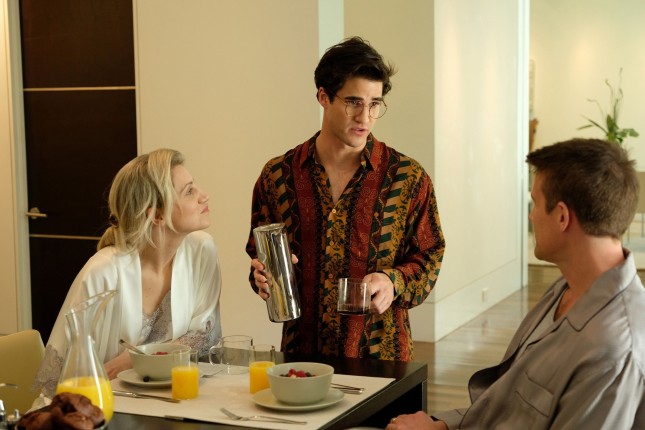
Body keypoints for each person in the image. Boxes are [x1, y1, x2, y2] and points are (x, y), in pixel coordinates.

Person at [386, 138, 645, 429]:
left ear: (562, 217)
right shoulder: (566, 288)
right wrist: (443, 425)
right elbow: (508, 401)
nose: (531, 215)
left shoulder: (613, 349)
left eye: (535, 203)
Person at [245, 36, 445, 360]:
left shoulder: (407, 178)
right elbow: (260, 255)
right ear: (323, 97)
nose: (365, 117)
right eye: (353, 102)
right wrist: (260, 278)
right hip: (303, 359)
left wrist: (393, 281)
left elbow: (430, 254)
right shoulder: (277, 176)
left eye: (375, 104)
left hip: (380, 359)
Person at [32, 148, 222, 400]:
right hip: (104, 404)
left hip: (173, 398)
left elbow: (205, 335)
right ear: (156, 214)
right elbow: (63, 377)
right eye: (189, 191)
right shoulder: (102, 272)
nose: (204, 196)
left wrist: (135, 358)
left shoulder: (202, 250)